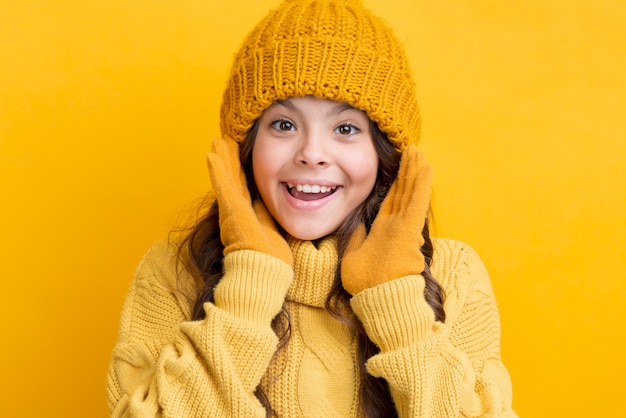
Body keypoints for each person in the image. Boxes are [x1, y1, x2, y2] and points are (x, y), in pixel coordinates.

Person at [106, 0, 516, 416]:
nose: (313, 154)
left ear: (385, 153)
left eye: (346, 128)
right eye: (284, 125)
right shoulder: (174, 271)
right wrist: (249, 282)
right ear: (244, 147)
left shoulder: (453, 273)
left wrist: (396, 299)